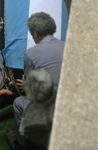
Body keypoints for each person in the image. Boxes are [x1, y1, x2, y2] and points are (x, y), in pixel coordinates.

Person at [7, 12, 65, 150]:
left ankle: (21, 144)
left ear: (35, 33)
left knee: (17, 103)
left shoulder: (31, 54)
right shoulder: (65, 45)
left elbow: (29, 86)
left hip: (49, 106)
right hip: (66, 99)